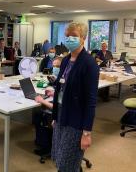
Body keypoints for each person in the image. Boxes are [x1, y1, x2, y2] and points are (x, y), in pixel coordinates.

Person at [51, 22, 99, 172]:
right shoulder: (65, 60)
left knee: (67, 164)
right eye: (67, 36)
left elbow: (91, 102)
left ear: (83, 38)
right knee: (60, 159)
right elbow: (60, 87)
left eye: (74, 36)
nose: (70, 39)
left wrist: (86, 133)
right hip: (61, 115)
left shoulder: (89, 64)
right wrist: (54, 116)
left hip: (75, 121)